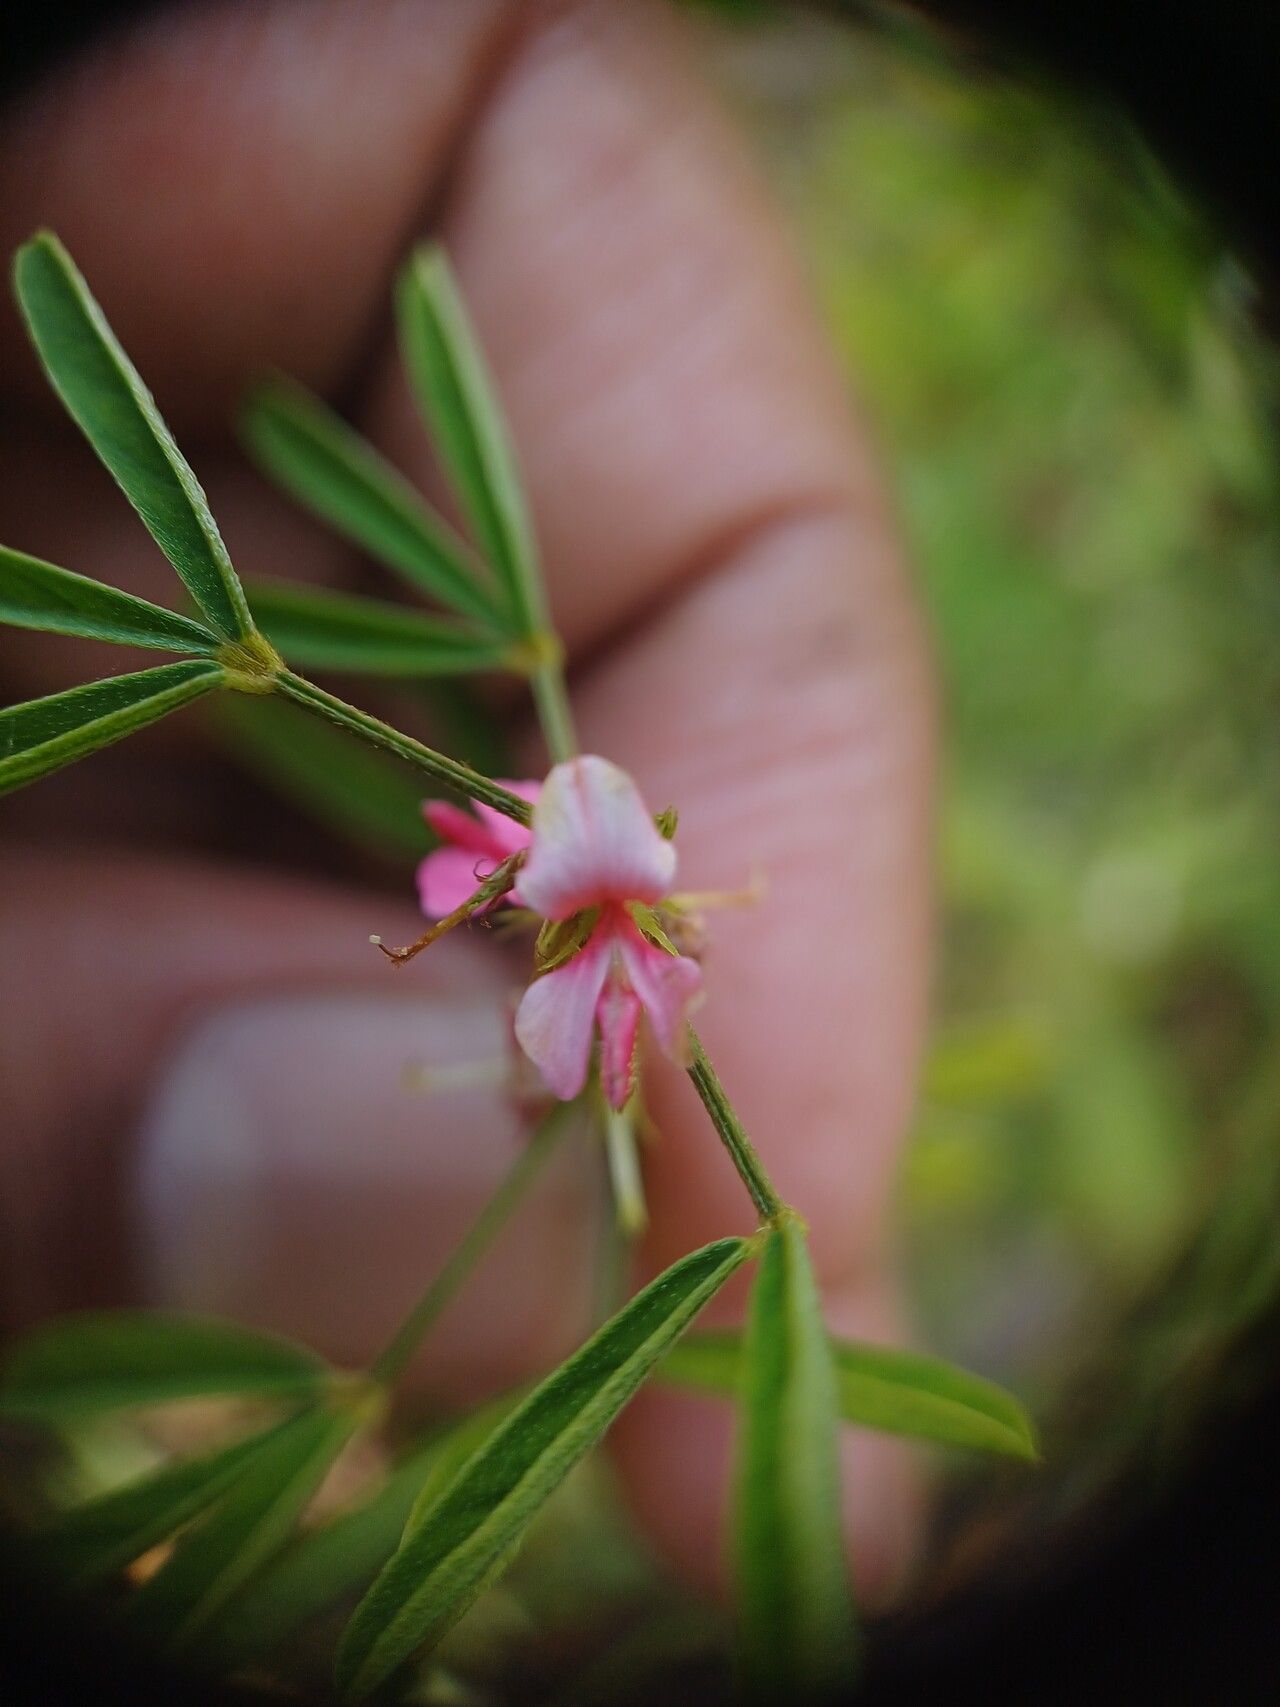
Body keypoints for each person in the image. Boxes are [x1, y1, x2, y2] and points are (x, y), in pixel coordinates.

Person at [0, 0, 932, 1604]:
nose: (644, 947)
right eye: (625, 914)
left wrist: (572, 912)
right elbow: (539, 884)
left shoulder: (608, 942)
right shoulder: (602, 913)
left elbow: (560, 914)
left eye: (639, 922)